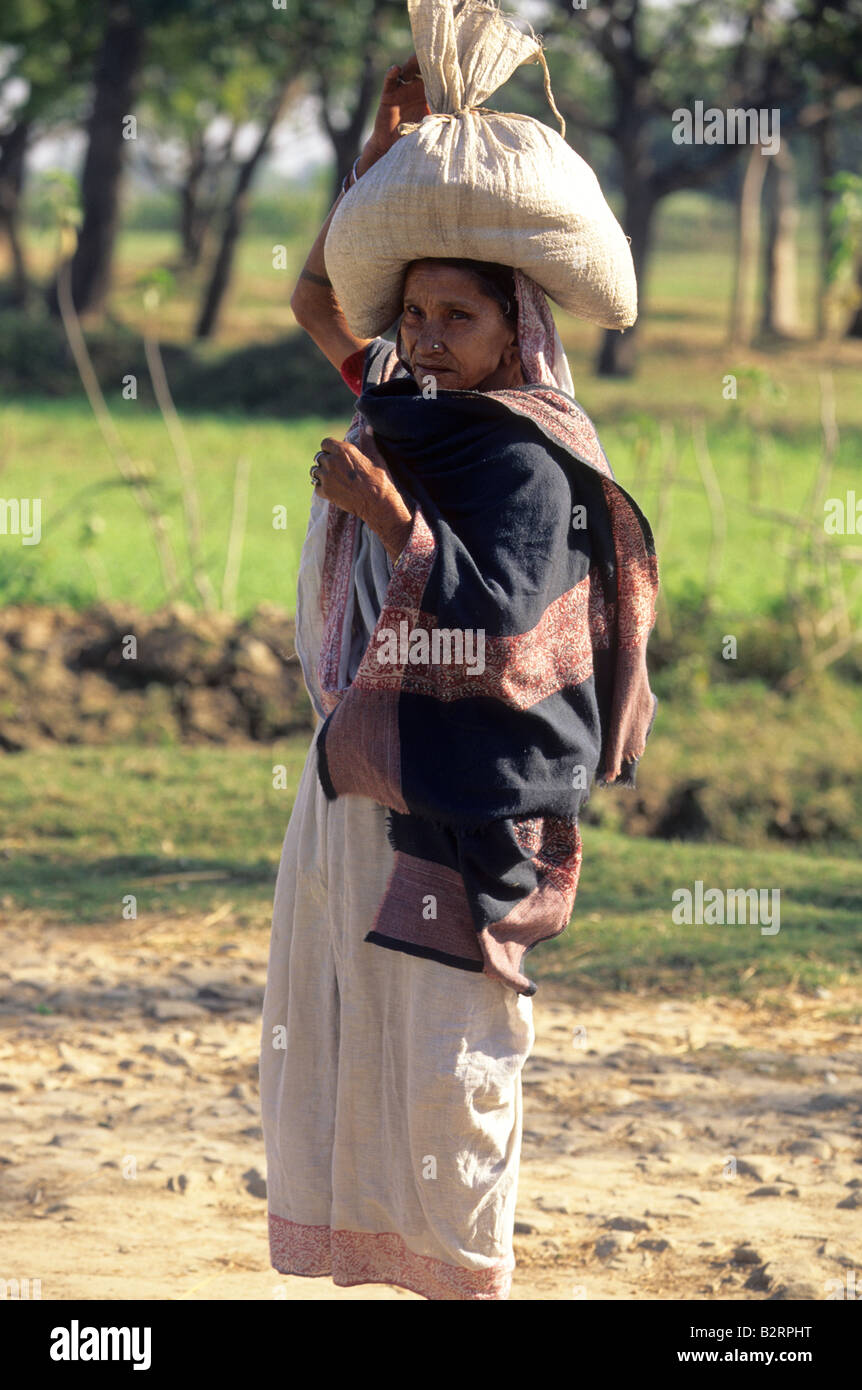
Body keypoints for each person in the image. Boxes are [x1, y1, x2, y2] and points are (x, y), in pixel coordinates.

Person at [259, 56, 658, 1301]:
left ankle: (466, 1272)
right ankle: (379, 1259)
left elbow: (501, 632)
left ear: (515, 330)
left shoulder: (528, 461)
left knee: (451, 1050)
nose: (423, 337)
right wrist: (380, 157)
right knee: (349, 1020)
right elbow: (315, 297)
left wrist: (389, 518)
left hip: (460, 798)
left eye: (457, 319)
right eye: (416, 315)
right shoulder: (408, 397)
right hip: (360, 769)